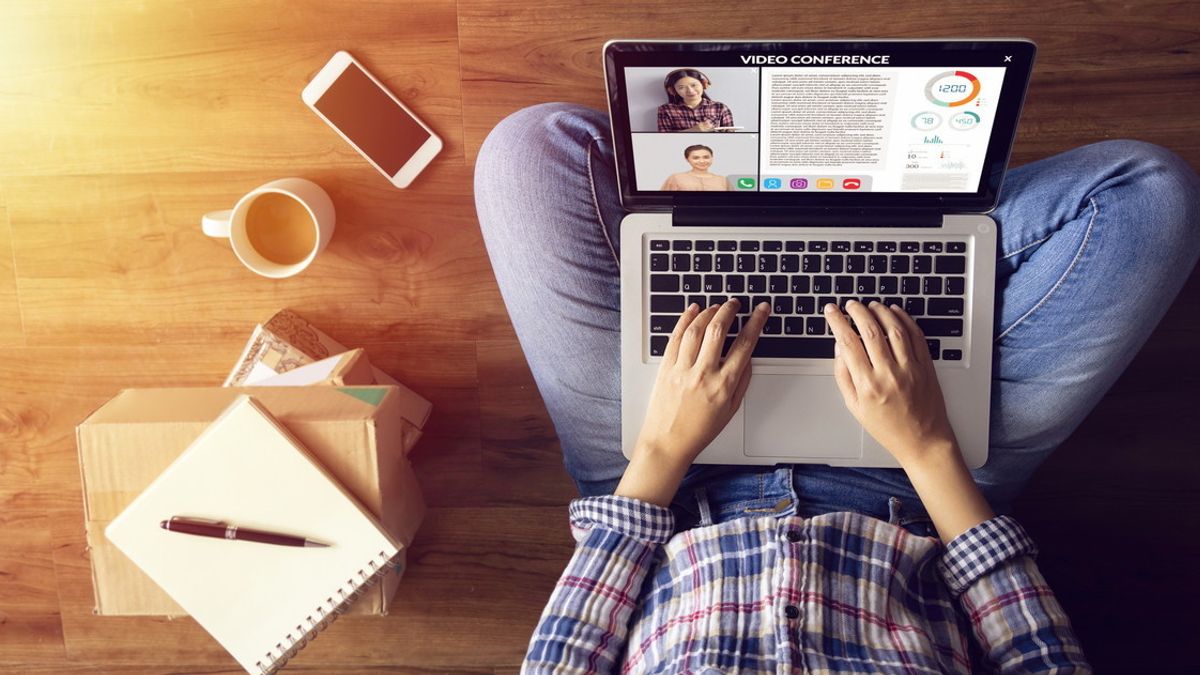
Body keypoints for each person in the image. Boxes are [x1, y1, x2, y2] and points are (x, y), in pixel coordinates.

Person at [474, 103, 1200, 672]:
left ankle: (804, 226)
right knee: (1146, 196)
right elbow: (1037, 654)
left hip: (668, 481)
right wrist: (928, 446)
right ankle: (888, 224)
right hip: (920, 490)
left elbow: (567, 654)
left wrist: (663, 445)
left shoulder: (662, 457)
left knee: (531, 151)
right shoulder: (927, 460)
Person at [657, 68, 734, 133]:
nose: (690, 91)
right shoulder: (665, 110)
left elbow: (732, 138)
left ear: (704, 84)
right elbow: (663, 138)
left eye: (694, 85)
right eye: (681, 87)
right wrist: (693, 130)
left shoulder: (720, 107)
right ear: (673, 91)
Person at [659, 144, 730, 191]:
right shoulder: (676, 178)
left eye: (706, 157)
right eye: (696, 158)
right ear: (687, 159)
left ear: (712, 158)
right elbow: (663, 200)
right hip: (685, 213)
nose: (702, 161)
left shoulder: (723, 180)